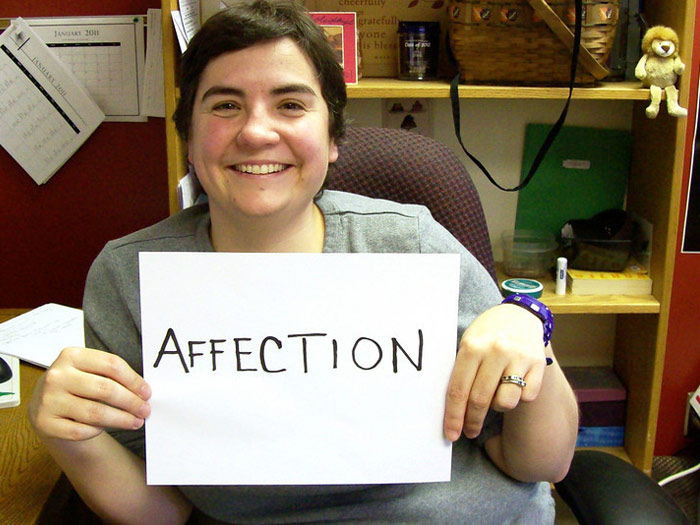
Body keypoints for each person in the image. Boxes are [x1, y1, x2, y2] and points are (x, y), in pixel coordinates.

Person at [28, 1, 578, 523]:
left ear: (333, 137)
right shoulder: (131, 279)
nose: (256, 131)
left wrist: (534, 339)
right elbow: (168, 512)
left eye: (290, 104)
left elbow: (539, 464)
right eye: (225, 105)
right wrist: (70, 437)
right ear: (190, 139)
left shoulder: (412, 247)